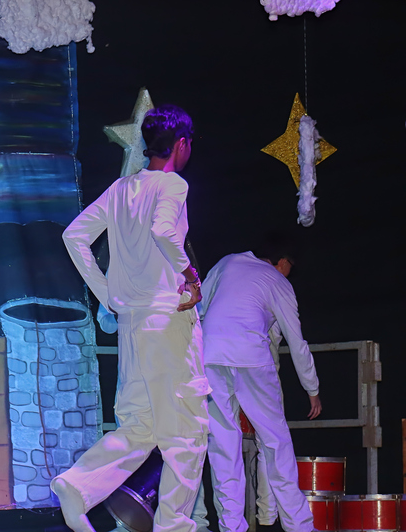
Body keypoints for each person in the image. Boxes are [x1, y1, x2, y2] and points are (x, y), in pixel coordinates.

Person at [52, 104, 208, 532]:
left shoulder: (122, 188)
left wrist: (108, 295)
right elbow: (163, 231)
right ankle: (173, 526)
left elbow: (74, 235)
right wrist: (190, 275)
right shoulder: (173, 184)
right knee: (187, 432)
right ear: (181, 144)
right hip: (167, 321)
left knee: (141, 426)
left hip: (133, 326)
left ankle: (78, 485)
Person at [201, 234, 321, 532]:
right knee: (276, 442)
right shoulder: (277, 280)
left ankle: (231, 526)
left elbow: (199, 306)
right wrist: (312, 389)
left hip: (210, 355)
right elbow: (297, 341)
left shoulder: (227, 262)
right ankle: (300, 526)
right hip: (252, 358)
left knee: (223, 443)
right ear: (283, 262)